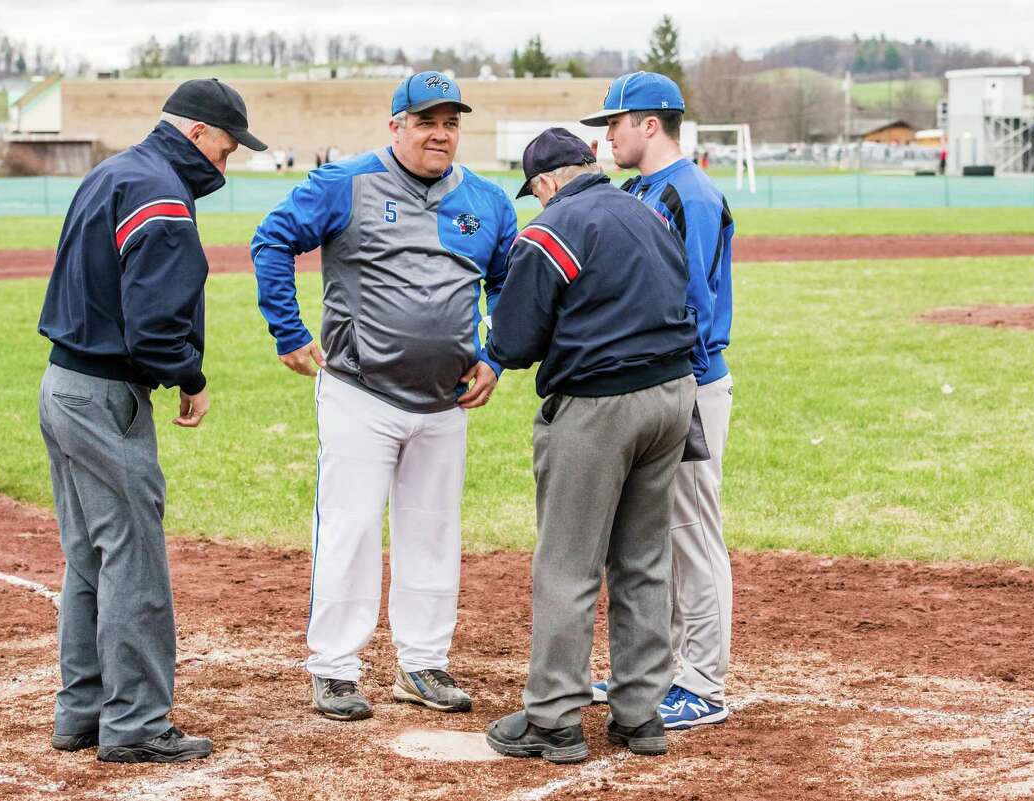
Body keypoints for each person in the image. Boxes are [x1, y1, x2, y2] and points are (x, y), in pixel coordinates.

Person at [251, 70, 518, 722]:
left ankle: (422, 662)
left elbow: (510, 284)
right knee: (352, 527)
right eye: (426, 121)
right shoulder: (345, 184)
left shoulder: (487, 200)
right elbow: (273, 238)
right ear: (395, 125)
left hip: (443, 400)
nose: (440, 133)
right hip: (360, 393)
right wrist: (288, 328)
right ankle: (335, 667)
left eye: (451, 122)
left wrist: (497, 356)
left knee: (433, 532)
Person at [37, 78, 266, 763]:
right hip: (107, 395)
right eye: (224, 151)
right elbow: (156, 325)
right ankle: (134, 721)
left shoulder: (113, 170)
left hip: (62, 383)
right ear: (196, 133)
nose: (224, 168)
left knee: (89, 556)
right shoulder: (162, 192)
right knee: (133, 561)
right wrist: (190, 378)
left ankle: (82, 709)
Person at [484, 128, 697, 763]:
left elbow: (517, 340)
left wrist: (491, 355)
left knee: (568, 566)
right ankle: (640, 714)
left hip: (600, 406)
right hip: (672, 397)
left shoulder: (552, 227)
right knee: (643, 561)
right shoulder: (646, 209)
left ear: (546, 182)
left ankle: (552, 718)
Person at [581, 71, 736, 731]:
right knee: (652, 533)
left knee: (691, 534)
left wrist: (664, 375)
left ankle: (702, 682)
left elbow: (692, 302)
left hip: (688, 381)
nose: (606, 134)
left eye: (614, 122)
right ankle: (653, 668)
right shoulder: (639, 189)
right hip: (656, 380)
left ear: (651, 123)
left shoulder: (688, 194)